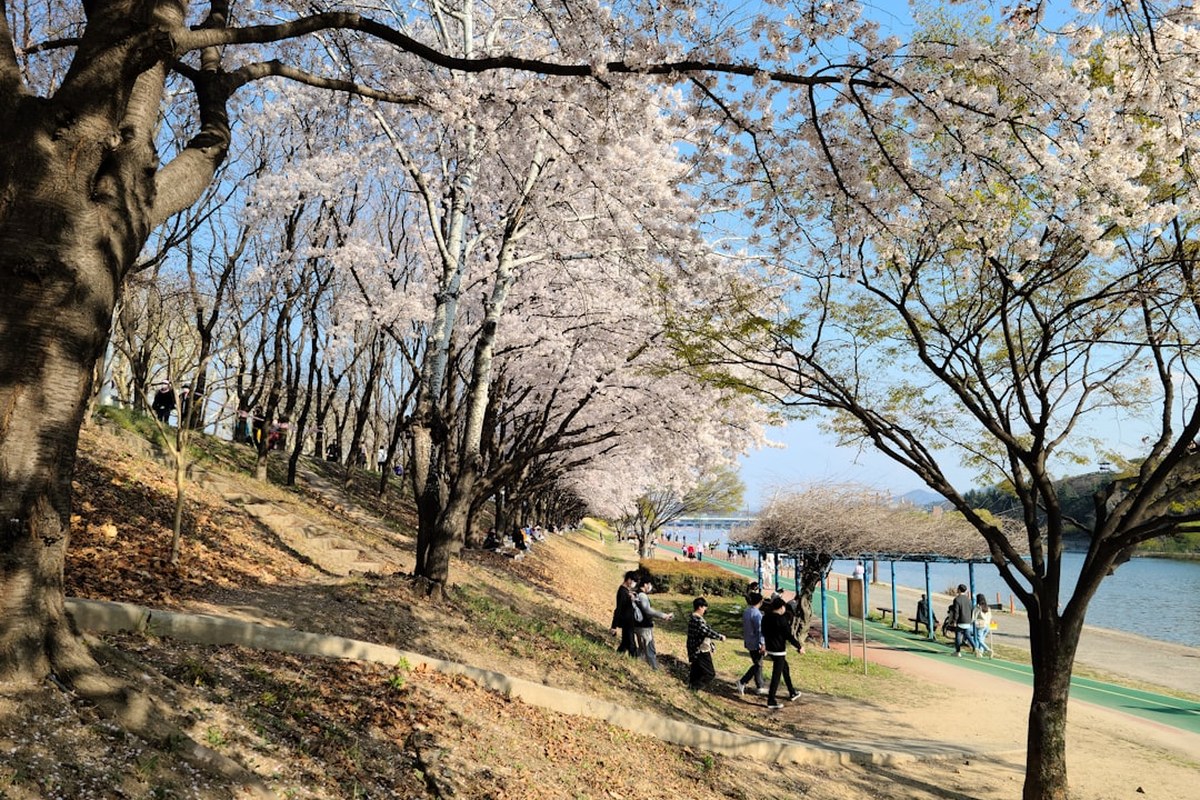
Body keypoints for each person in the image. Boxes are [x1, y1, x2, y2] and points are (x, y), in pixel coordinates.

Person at [762, 596, 804, 708]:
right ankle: (771, 700)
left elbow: (763, 632)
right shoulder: (781, 620)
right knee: (776, 675)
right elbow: (788, 636)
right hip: (779, 651)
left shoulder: (765, 618)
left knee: (785, 668)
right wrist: (799, 647)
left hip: (770, 648)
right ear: (781, 607)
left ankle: (792, 692)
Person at [633, 577, 674, 670]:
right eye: (649, 584)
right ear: (645, 584)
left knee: (641, 649)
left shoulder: (636, 593)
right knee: (650, 649)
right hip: (644, 626)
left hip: (637, 625)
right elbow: (647, 610)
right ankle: (654, 669)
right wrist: (663, 615)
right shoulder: (642, 595)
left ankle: (637, 666)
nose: (650, 587)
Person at [686, 597, 726, 691]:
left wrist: (711, 645)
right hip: (700, 650)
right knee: (710, 673)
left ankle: (691, 690)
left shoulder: (693, 618)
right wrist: (720, 637)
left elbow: (703, 634)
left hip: (694, 649)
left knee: (696, 672)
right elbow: (706, 631)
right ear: (700, 607)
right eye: (704, 608)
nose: (705, 611)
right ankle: (694, 688)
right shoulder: (697, 620)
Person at [736, 592, 767, 696]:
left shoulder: (746, 611)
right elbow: (760, 630)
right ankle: (742, 681)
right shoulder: (757, 614)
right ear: (760, 602)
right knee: (758, 665)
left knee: (758, 663)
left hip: (748, 641)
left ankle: (759, 685)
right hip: (756, 643)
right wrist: (763, 644)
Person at [609, 571, 641, 658]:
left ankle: (617, 656)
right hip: (627, 622)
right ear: (629, 580)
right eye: (634, 581)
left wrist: (632, 598)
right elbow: (618, 609)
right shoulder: (622, 592)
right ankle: (634, 660)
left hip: (629, 621)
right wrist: (614, 626)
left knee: (625, 643)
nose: (634, 584)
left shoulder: (626, 591)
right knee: (631, 643)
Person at [951, 584, 974, 656]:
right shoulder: (969, 600)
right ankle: (976, 648)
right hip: (968, 620)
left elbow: (956, 612)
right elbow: (971, 610)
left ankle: (958, 651)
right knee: (968, 635)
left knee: (958, 636)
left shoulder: (957, 599)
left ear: (959, 590)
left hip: (960, 621)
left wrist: (954, 621)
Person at [972, 593, 994, 658]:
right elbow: (990, 617)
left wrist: (972, 622)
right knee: (982, 639)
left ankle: (988, 649)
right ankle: (981, 652)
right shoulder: (988, 608)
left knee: (979, 640)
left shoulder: (978, 607)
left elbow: (973, 617)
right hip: (987, 625)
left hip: (981, 625)